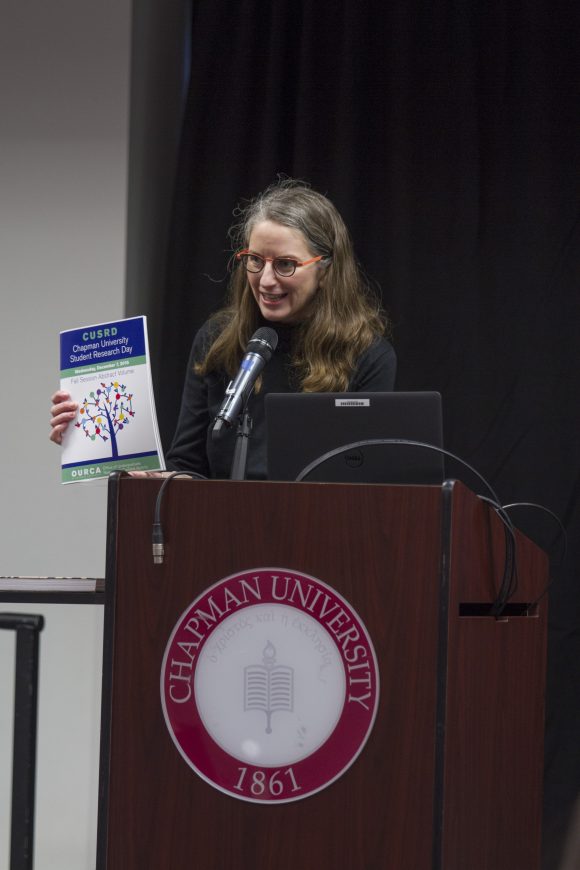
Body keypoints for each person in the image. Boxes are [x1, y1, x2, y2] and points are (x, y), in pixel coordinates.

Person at [50, 179, 396, 479]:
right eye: (255, 260)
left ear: (325, 270)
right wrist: (94, 444)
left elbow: (363, 480)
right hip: (221, 526)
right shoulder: (218, 340)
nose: (266, 279)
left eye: (285, 264)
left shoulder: (366, 354)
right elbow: (188, 465)